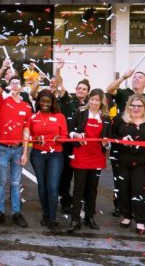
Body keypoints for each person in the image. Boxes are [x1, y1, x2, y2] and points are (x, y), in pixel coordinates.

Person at [107, 69, 145, 218]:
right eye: (135, 77)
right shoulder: (124, 94)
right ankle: (120, 207)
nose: (136, 79)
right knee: (120, 180)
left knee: (140, 181)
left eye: (140, 77)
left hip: (142, 151)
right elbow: (109, 89)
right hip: (121, 147)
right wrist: (123, 77)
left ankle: (142, 207)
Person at [0, 59, 31, 228]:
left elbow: (26, 130)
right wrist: (4, 67)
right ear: (8, 84)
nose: (15, 85)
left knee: (15, 183)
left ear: (21, 86)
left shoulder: (26, 106)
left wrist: (25, 152)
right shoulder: (2, 100)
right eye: (12, 82)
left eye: (17, 83)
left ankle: (16, 212)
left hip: (18, 149)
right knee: (1, 182)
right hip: (2, 149)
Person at [112, 94, 145, 235]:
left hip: (142, 163)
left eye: (139, 105)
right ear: (128, 106)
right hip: (122, 161)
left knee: (138, 190)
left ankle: (140, 220)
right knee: (123, 189)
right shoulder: (120, 119)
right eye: (133, 105)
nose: (135, 108)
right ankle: (127, 216)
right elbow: (111, 135)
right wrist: (121, 139)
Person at [66, 88, 111, 233]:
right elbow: (69, 131)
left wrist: (106, 143)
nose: (94, 102)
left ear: (101, 101)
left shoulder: (105, 117)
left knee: (92, 190)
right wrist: (76, 135)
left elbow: (108, 139)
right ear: (88, 99)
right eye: (92, 99)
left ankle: (89, 217)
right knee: (78, 189)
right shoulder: (80, 112)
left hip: (97, 156)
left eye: (97, 100)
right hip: (81, 155)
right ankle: (75, 219)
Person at [27, 89, 68, 234]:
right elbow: (29, 134)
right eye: (42, 101)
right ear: (38, 102)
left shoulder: (59, 116)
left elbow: (64, 136)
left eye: (48, 102)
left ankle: (53, 218)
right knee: (42, 185)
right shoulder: (33, 117)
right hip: (38, 154)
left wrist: (59, 139)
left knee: (53, 186)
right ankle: (45, 213)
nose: (45, 104)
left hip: (55, 154)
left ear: (52, 103)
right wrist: (34, 139)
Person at [54, 60, 90, 214]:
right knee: (66, 175)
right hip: (68, 145)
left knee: (83, 176)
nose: (81, 91)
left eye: (84, 89)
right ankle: (65, 200)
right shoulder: (68, 100)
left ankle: (83, 201)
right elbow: (59, 86)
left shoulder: (91, 105)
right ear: (75, 89)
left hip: (84, 146)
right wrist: (58, 70)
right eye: (79, 88)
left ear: (88, 92)